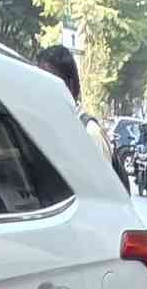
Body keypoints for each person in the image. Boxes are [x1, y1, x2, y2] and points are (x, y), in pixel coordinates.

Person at [36, 44, 129, 192]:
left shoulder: (89, 134)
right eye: (38, 81)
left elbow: (103, 196)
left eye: (49, 81)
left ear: (71, 86)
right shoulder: (44, 128)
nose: (41, 89)